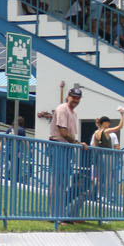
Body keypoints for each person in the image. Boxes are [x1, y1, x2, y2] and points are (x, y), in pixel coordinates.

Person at [48, 85, 84, 218]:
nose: (76, 100)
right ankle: (54, 215)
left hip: (66, 148)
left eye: (78, 98)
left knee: (63, 182)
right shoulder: (62, 109)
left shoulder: (73, 113)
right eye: (74, 97)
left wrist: (74, 143)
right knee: (58, 181)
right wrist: (77, 143)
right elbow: (63, 132)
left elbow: (69, 134)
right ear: (68, 96)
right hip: (58, 146)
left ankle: (60, 214)